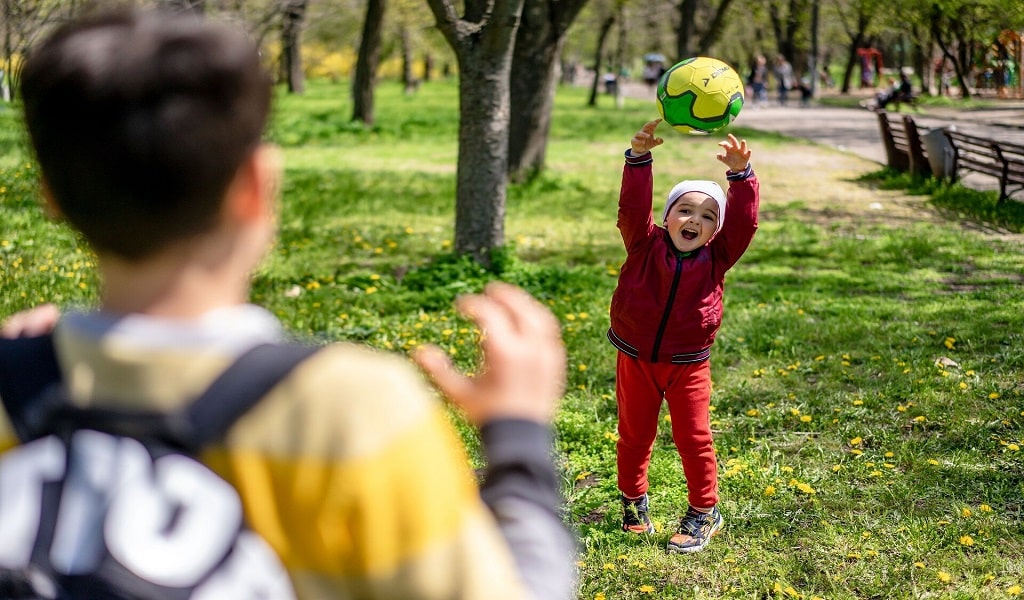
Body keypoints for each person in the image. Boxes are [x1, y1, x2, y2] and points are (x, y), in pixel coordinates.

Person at [6, 7, 576, 599]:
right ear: (258, 186)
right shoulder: (350, 411)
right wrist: (517, 439)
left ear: (51, 197)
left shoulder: (12, 386)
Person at [608, 118, 759, 553]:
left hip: (688, 365)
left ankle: (703, 511)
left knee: (694, 438)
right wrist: (638, 159)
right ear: (668, 216)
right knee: (634, 436)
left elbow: (744, 224)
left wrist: (740, 178)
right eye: (686, 210)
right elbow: (631, 209)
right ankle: (634, 503)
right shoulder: (643, 243)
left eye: (708, 215)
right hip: (636, 359)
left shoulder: (718, 258)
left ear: (715, 231)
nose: (695, 219)